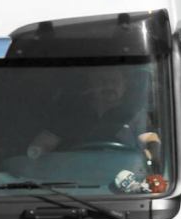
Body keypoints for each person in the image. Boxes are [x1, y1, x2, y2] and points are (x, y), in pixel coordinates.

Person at [27, 67, 160, 162]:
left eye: (114, 82)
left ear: (124, 86)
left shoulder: (135, 115)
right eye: (101, 81)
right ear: (91, 85)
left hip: (121, 178)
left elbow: (149, 139)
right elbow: (44, 142)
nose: (108, 86)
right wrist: (35, 152)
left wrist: (153, 153)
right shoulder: (72, 114)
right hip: (73, 179)